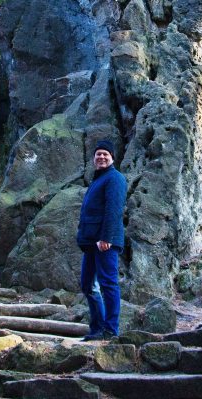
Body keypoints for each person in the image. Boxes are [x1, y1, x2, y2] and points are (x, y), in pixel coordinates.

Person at [76, 140, 127, 341]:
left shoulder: (115, 178)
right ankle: (97, 329)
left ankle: (110, 330)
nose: (102, 157)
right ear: (94, 158)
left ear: (112, 157)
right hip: (91, 243)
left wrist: (106, 237)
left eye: (106, 154)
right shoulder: (98, 179)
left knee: (108, 284)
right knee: (88, 285)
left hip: (105, 242)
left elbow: (114, 210)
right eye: (98, 154)